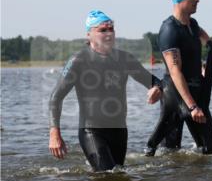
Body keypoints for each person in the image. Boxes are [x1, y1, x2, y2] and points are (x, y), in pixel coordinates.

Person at [49, 10, 163, 171]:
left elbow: (153, 81)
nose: (109, 33)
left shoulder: (125, 59)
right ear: (89, 35)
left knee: (117, 180)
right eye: (103, 30)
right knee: (107, 174)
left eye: (111, 29)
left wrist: (157, 88)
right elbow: (56, 97)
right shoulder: (79, 60)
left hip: (119, 132)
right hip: (92, 131)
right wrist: (55, 134)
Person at [144, 0, 212, 155]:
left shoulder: (192, 24)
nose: (198, 1)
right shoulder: (169, 30)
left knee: (209, 150)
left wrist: (209, 43)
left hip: (195, 90)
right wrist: (193, 107)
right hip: (177, 95)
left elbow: (198, 31)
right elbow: (175, 71)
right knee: (169, 150)